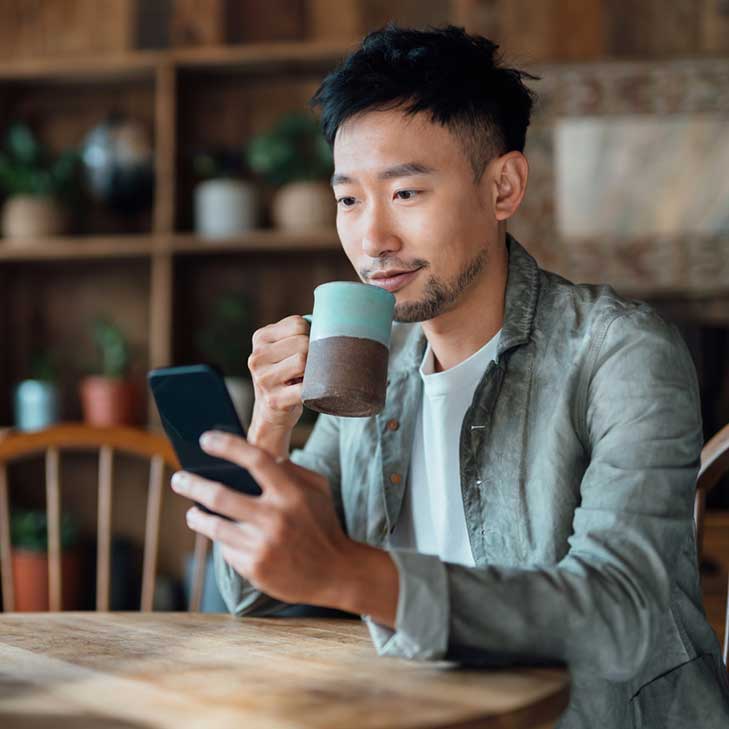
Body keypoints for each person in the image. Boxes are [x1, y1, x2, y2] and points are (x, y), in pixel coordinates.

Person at [170, 25, 729, 727]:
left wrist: (349, 571)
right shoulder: (374, 364)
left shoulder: (620, 352)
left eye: (404, 193)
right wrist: (271, 428)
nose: (371, 239)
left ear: (502, 186)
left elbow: (620, 613)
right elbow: (256, 597)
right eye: (348, 200)